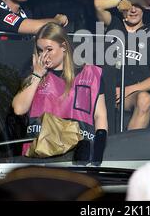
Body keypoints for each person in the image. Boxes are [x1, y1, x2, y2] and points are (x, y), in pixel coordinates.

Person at [12, 22, 108, 157]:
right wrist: (37, 75)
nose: (44, 55)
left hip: (78, 154)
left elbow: (100, 115)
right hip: (41, 153)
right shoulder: (34, 73)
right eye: (40, 50)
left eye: (49, 49)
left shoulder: (91, 74)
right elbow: (19, 109)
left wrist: (100, 146)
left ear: (63, 47)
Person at [94, 0, 150, 130]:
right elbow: (98, 3)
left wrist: (126, 90)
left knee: (144, 99)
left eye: (138, 6)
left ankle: (127, 148)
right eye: (130, 5)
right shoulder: (114, 23)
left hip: (130, 94)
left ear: (144, 9)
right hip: (104, 91)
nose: (133, 10)